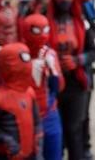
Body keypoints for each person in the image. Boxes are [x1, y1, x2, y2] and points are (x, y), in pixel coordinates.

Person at [49, 0, 95, 160]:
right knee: (56, 133)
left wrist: (77, 60)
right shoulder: (47, 23)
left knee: (75, 131)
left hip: (77, 84)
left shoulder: (80, 23)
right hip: (53, 85)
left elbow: (93, 52)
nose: (65, 0)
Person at [0, 42, 43, 160]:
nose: (27, 65)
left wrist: (38, 142)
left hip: (30, 154)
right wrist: (6, 140)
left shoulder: (29, 92)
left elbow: (37, 122)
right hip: (7, 156)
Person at [21, 14, 65, 160]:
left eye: (45, 30)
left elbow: (59, 87)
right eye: (36, 31)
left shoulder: (50, 54)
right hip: (27, 117)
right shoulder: (19, 54)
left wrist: (53, 72)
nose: (42, 35)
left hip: (49, 113)